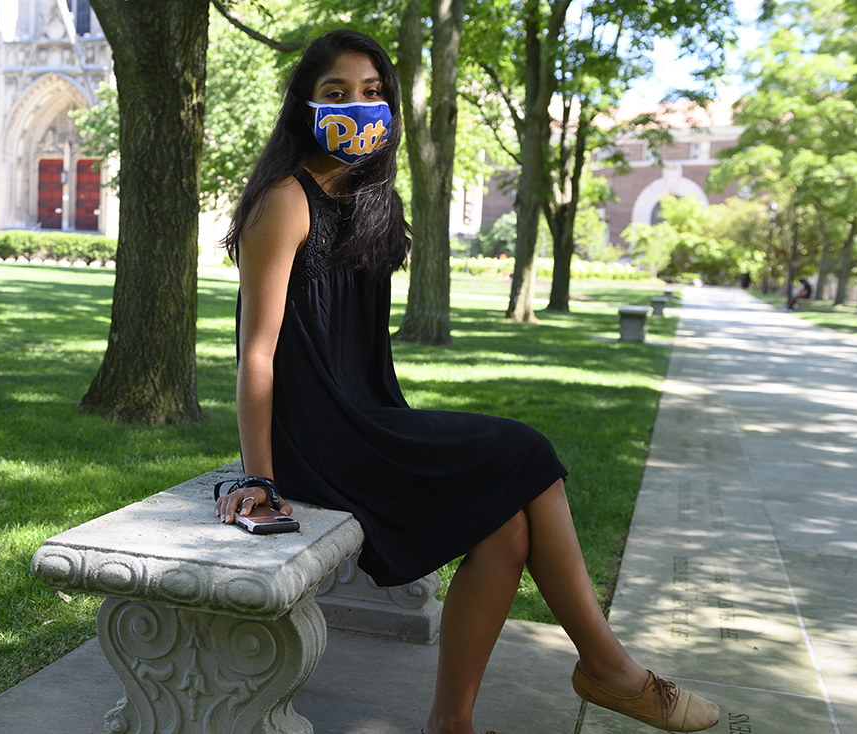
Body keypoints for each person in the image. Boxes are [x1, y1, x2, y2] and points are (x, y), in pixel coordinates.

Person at [212, 29, 720, 734]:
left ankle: (452, 722)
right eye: (335, 94)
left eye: (371, 94)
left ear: (389, 110)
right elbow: (256, 353)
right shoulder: (285, 201)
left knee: (509, 529)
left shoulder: (366, 203)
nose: (356, 108)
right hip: (317, 442)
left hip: (366, 416)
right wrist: (260, 480)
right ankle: (607, 667)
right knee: (528, 452)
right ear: (304, 107)